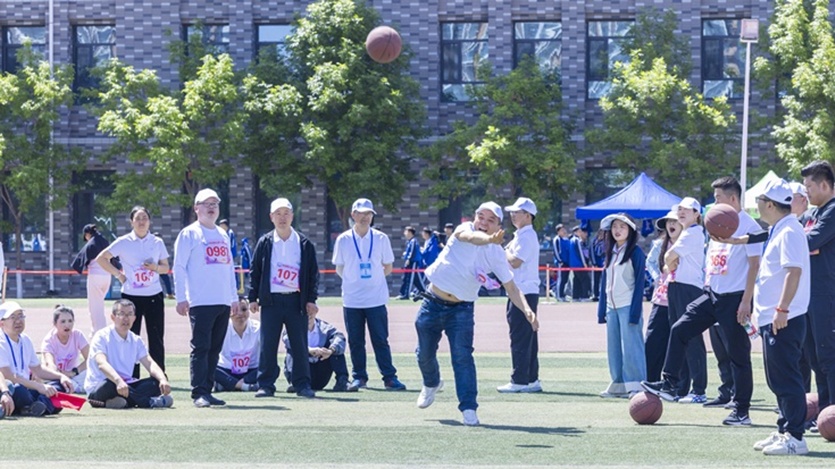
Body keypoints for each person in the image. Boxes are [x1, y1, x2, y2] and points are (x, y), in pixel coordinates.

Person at [643, 179, 759, 426]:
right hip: (712, 294)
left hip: (735, 297)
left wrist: (746, 301)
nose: (714, 203)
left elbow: (754, 265)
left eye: (718, 198)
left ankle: (741, 411)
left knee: (738, 355)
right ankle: (670, 383)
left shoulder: (749, 225)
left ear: (733, 199)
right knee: (679, 329)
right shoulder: (714, 222)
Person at [415, 201, 539, 426]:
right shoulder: (464, 230)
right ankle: (431, 383)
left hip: (461, 309)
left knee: (462, 358)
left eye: (491, 220)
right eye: (481, 217)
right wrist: (488, 239)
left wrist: (527, 310)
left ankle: (469, 408)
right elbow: (471, 238)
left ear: (499, 226)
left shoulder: (496, 253)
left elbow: (511, 287)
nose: (484, 223)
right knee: (424, 354)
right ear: (474, 217)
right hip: (432, 302)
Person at [748, 179, 811, 455]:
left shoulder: (789, 230)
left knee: (786, 378)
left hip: (784, 317)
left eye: (760, 201)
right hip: (773, 317)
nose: (757, 206)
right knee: (777, 379)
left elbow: (793, 271)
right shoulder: (779, 229)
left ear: (771, 205)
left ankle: (796, 437)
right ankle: (785, 429)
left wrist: (782, 308)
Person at [174, 188, 239, 408]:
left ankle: (208, 390)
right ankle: (199, 392)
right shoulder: (189, 234)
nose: (211, 208)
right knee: (201, 348)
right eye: (206, 204)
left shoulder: (222, 234)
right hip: (200, 301)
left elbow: (229, 268)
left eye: (215, 204)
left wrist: (233, 298)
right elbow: (179, 266)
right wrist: (181, 297)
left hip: (222, 301)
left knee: (215, 349)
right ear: (196, 208)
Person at [332, 198, 406, 391]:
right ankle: (359, 377)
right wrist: (354, 281)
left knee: (380, 339)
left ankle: (389, 377)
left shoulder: (381, 238)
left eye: (368, 214)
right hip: (352, 299)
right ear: (353, 215)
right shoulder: (343, 239)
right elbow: (340, 268)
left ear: (372, 216)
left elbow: (388, 266)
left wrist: (373, 280)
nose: (365, 217)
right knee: (356, 341)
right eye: (361, 213)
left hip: (376, 298)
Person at [248, 197, 318, 399]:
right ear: (271, 217)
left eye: (286, 213)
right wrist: (253, 297)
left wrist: (311, 299)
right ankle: (266, 385)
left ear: (292, 216)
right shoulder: (265, 242)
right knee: (268, 344)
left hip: (296, 301)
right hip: (271, 301)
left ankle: (302, 384)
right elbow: (255, 271)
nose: (282, 218)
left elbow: (312, 273)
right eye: (278, 214)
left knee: (299, 344)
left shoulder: (304, 243)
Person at [96, 206, 170, 377]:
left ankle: (159, 377)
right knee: (129, 337)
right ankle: (131, 376)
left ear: (149, 221)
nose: (141, 222)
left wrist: (155, 267)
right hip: (131, 297)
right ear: (131, 222)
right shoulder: (123, 242)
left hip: (154, 295)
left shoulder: (157, 242)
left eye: (145, 218)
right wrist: (119, 275)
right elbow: (101, 259)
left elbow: (166, 268)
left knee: (156, 338)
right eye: (138, 218)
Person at [84, 299, 173, 409]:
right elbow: (101, 364)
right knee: (109, 384)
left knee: (155, 382)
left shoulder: (136, 340)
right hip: (102, 386)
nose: (126, 318)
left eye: (130, 314)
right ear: (113, 317)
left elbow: (150, 363)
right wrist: (118, 381)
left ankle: (119, 402)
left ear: (134, 318)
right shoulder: (101, 336)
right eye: (121, 314)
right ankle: (148, 402)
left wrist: (163, 379)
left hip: (126, 386)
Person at [596, 214, 646, 398]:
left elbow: (640, 283)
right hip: (612, 307)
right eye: (615, 226)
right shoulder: (610, 251)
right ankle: (617, 385)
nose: (617, 230)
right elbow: (605, 282)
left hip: (628, 305)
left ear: (630, 230)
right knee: (614, 348)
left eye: (622, 227)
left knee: (632, 347)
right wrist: (602, 310)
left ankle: (637, 385)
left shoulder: (636, 252)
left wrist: (635, 312)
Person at [497, 197, 542, 393]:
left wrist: (500, 249)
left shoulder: (526, 236)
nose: (513, 215)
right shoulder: (522, 236)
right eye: (512, 212)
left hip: (523, 291)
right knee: (528, 336)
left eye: (517, 212)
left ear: (528, 215)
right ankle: (531, 378)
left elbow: (515, 262)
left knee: (520, 336)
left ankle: (520, 380)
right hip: (523, 290)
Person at [0, 301, 74, 416]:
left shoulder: (25, 340)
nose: (18, 321)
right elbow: (9, 376)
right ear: (2, 323)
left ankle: (34, 407)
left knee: (59, 385)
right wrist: (39, 386)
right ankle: (43, 406)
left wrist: (61, 376)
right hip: (11, 389)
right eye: (13, 317)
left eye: (21, 316)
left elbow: (38, 369)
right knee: (18, 389)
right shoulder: (1, 342)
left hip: (28, 388)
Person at [644, 209, 682, 384]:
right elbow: (650, 262)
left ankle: (677, 385)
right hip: (661, 299)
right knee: (653, 341)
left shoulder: (689, 243)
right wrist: (658, 277)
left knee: (678, 342)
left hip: (681, 299)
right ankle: (651, 381)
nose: (671, 225)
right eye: (668, 222)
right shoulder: (660, 244)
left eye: (675, 221)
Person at [283, 305, 356, 392]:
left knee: (336, 348)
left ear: (316, 311)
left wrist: (330, 350)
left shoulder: (325, 328)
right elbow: (288, 340)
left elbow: (339, 337)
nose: (308, 314)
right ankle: (295, 383)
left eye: (311, 311)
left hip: (321, 370)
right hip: (302, 370)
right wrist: (308, 350)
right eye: (305, 311)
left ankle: (342, 381)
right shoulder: (292, 327)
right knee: (292, 350)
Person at [71, 223, 115, 334]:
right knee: (99, 305)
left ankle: (99, 332)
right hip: (107, 276)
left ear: (87, 234)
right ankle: (98, 330)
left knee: (95, 308)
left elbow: (80, 259)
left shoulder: (91, 242)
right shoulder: (105, 242)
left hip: (95, 277)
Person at [215, 298, 260, 392]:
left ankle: (230, 384)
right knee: (207, 367)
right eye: (235, 310)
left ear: (249, 311)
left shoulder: (258, 327)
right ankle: (243, 386)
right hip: (227, 370)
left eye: (244, 309)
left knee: (273, 368)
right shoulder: (221, 327)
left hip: (251, 370)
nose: (240, 313)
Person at [41, 305, 89, 393]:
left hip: (75, 375)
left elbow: (90, 358)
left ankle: (74, 387)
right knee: (55, 382)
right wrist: (61, 375)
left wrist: (73, 372)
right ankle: (75, 387)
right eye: (63, 322)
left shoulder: (77, 335)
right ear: (55, 324)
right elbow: (50, 365)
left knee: (96, 371)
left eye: (70, 321)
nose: (67, 325)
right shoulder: (49, 340)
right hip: (57, 376)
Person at [396, 226, 421, 300]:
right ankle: (423, 292)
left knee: (409, 278)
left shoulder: (413, 241)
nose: (404, 233)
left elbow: (412, 251)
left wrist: (409, 259)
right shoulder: (409, 241)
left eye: (406, 232)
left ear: (410, 232)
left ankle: (406, 295)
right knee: (415, 279)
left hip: (413, 262)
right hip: (410, 262)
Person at [568, 226, 592, 301]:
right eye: (579, 231)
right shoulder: (577, 240)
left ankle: (575, 297)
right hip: (579, 264)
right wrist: (584, 263)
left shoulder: (570, 240)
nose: (580, 233)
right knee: (585, 280)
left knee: (576, 280)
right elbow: (580, 253)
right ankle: (584, 296)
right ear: (575, 232)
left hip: (573, 264)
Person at [153, 232, 175, 299]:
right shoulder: (150, 246)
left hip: (160, 267)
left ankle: (169, 294)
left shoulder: (161, 245)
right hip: (152, 267)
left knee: (166, 280)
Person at [552, 224, 571, 301]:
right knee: (561, 279)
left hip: (567, 263)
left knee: (565, 279)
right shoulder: (556, 239)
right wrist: (560, 261)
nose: (564, 231)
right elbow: (556, 251)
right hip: (561, 263)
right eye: (562, 230)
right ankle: (559, 295)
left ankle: (562, 294)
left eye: (564, 229)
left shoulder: (565, 240)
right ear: (558, 232)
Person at [591, 229, 606, 301]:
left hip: (604, 264)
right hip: (596, 264)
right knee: (596, 280)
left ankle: (604, 294)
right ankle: (595, 294)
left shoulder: (606, 241)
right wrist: (594, 263)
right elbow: (592, 253)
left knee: (604, 280)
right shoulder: (594, 242)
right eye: (601, 233)